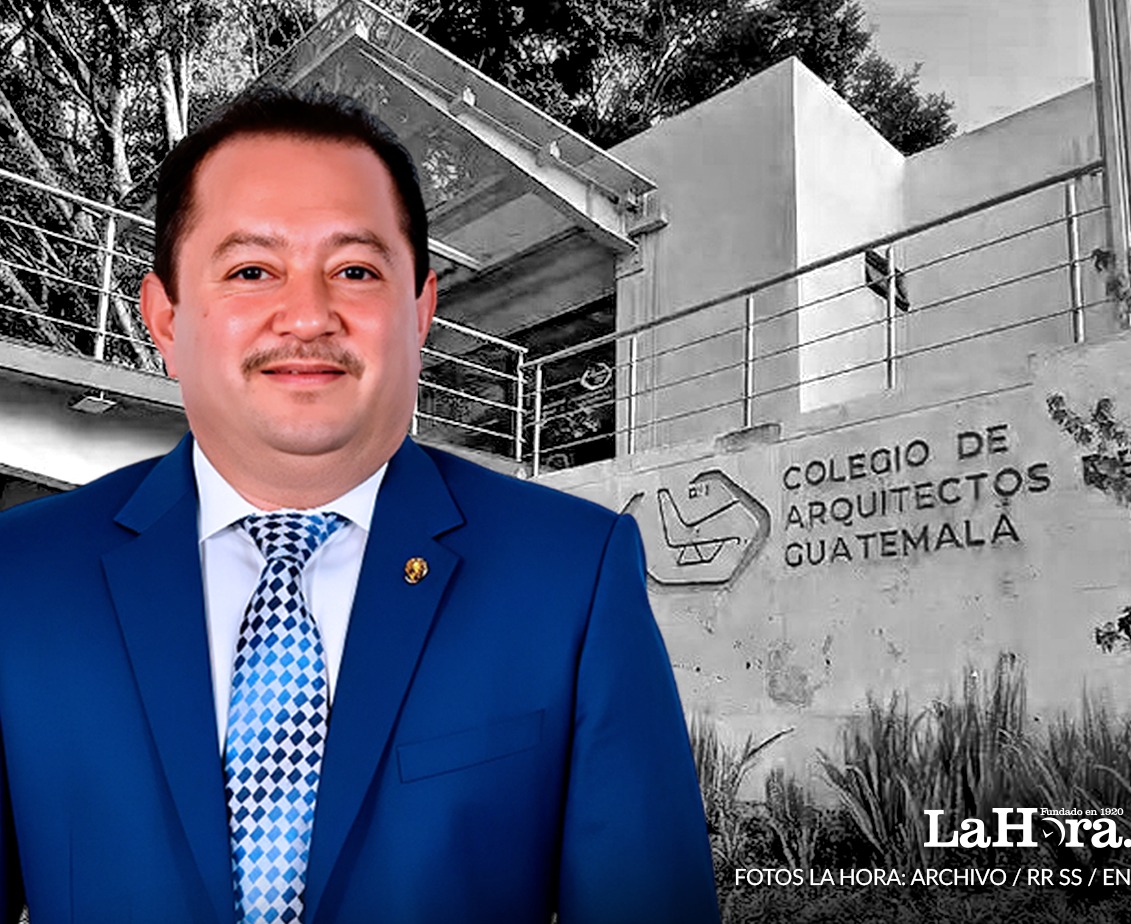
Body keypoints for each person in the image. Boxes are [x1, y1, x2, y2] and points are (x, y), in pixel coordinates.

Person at [0, 88, 719, 924]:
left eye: (355, 271)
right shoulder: (21, 580)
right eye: (251, 271)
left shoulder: (570, 578)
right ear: (166, 318)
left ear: (420, 311)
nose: (308, 317)